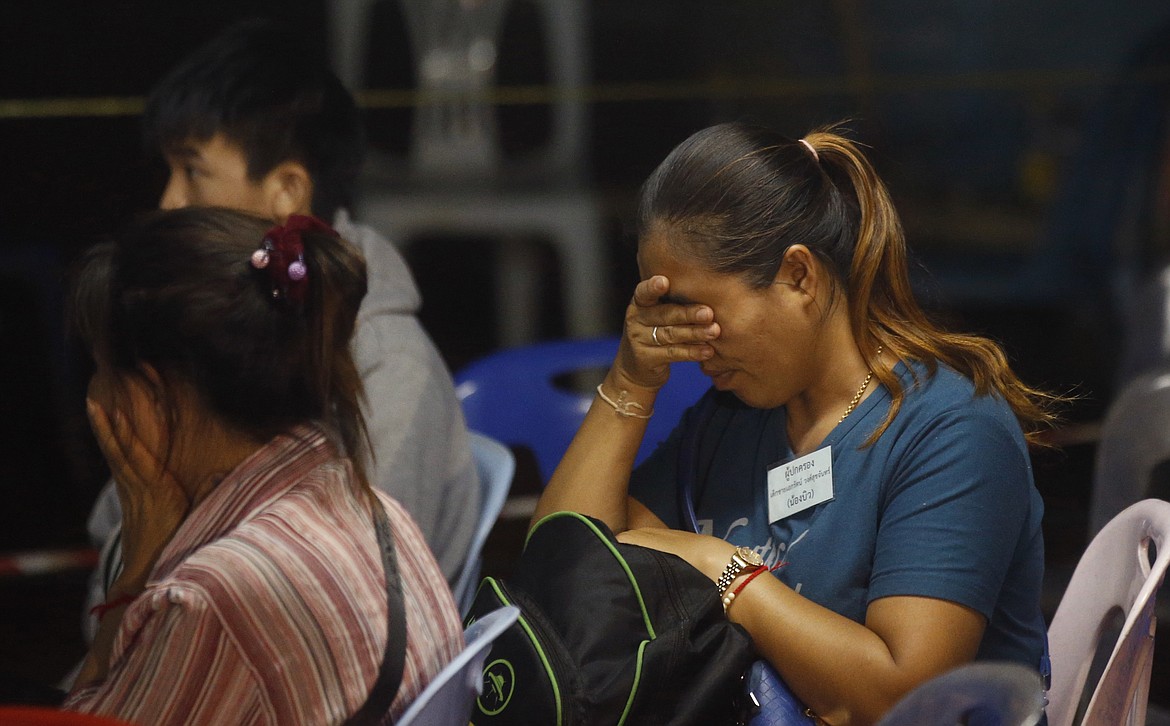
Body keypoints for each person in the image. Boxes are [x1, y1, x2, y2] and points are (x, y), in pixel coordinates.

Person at [533, 122, 1057, 724]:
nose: (692, 347)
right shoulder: (735, 414)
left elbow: (903, 700)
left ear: (798, 276)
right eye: (666, 314)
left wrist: (724, 570)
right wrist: (630, 382)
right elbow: (563, 578)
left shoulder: (952, 430)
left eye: (701, 313)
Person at [84, 19, 479, 594]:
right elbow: (111, 543)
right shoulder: (212, 325)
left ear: (288, 189)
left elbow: (363, 596)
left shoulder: (389, 366)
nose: (170, 201)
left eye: (193, 170)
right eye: (168, 171)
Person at [64, 207, 463, 724]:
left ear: (154, 396)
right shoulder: (375, 508)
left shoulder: (215, 596)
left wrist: (137, 564)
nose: (95, 397)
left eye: (101, 370)